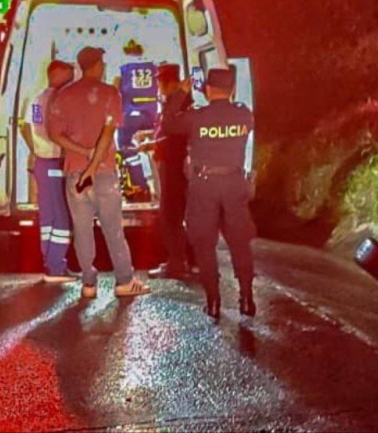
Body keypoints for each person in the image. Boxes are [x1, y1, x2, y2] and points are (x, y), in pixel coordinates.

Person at [47, 46, 150, 299]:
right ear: (96, 65)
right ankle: (124, 281)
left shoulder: (63, 96)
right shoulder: (109, 94)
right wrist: (92, 162)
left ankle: (89, 284)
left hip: (74, 174)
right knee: (112, 228)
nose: (103, 67)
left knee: (82, 230)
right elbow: (107, 133)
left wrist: (81, 151)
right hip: (102, 174)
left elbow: (54, 134)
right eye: (102, 63)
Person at [165, 67, 255, 320]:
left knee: (205, 243)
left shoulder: (197, 117)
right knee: (240, 242)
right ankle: (247, 298)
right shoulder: (244, 115)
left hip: (204, 185)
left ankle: (213, 301)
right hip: (235, 182)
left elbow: (169, 123)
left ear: (207, 89)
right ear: (232, 90)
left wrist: (181, 93)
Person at [137, 64, 196, 280]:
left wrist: (151, 145)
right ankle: (178, 261)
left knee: (171, 216)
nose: (157, 86)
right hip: (169, 165)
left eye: (159, 81)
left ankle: (177, 263)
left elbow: (174, 135)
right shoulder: (172, 102)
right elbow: (167, 130)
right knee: (170, 215)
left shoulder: (179, 103)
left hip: (174, 167)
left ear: (170, 82)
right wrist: (149, 137)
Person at [21, 60, 74, 283]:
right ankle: (55, 268)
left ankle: (52, 263)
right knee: (62, 218)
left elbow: (25, 127)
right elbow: (60, 132)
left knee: (48, 217)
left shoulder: (36, 98)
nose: (71, 80)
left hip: (44, 162)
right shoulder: (57, 100)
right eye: (68, 76)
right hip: (55, 162)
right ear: (55, 75)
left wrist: (35, 149)